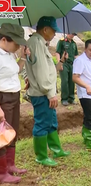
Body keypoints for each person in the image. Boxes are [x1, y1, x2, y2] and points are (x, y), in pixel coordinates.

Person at [25, 16, 70, 167]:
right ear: (45, 29)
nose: (54, 34)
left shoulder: (40, 43)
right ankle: (41, 156)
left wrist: (61, 61)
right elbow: (41, 72)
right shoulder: (36, 43)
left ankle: (56, 149)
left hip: (45, 91)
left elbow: (48, 69)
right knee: (42, 123)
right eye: (53, 31)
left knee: (51, 122)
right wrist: (50, 93)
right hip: (42, 93)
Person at [0, 23, 29, 184]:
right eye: (16, 43)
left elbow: (15, 70)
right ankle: (2, 172)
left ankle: (10, 165)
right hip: (2, 98)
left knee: (12, 131)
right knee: (2, 135)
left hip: (13, 96)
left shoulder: (9, 54)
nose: (18, 46)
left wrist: (23, 57)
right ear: (4, 39)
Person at [55, 33, 79, 106]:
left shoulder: (74, 44)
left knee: (72, 81)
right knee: (65, 81)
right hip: (64, 63)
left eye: (73, 34)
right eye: (71, 34)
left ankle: (71, 98)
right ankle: (64, 99)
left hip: (72, 64)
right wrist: (60, 63)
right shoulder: (62, 42)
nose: (72, 35)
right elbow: (57, 53)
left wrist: (78, 64)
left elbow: (75, 55)